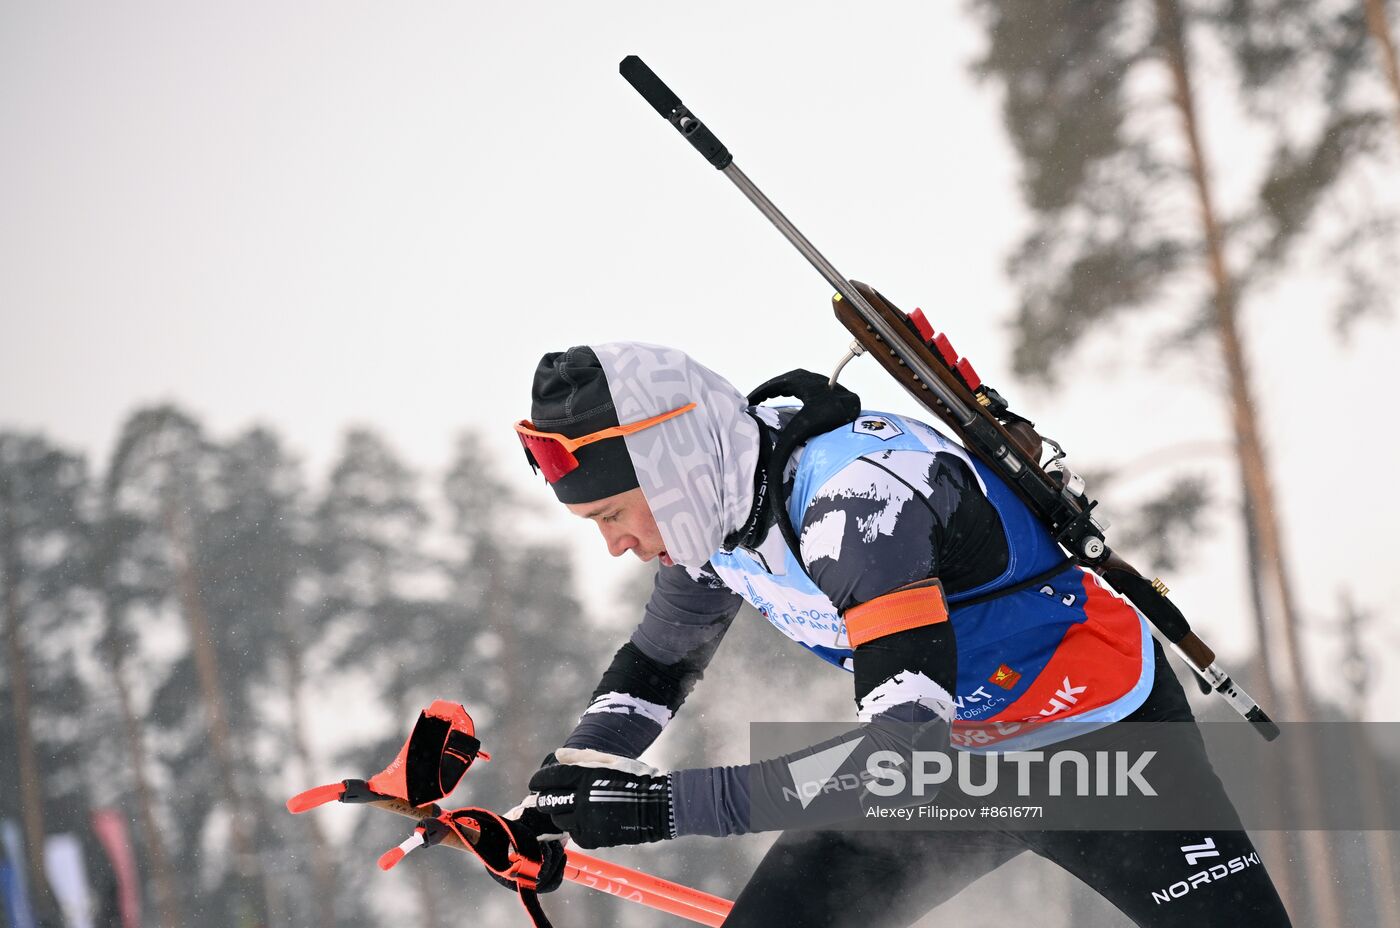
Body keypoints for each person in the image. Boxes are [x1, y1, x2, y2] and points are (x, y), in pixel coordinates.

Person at [504, 341, 1291, 927]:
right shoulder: (714, 517)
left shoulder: (855, 505)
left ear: (669, 466)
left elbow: (901, 759)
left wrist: (658, 809)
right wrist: (563, 792)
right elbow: (656, 664)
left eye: (612, 514)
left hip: (1093, 741)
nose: (614, 544)